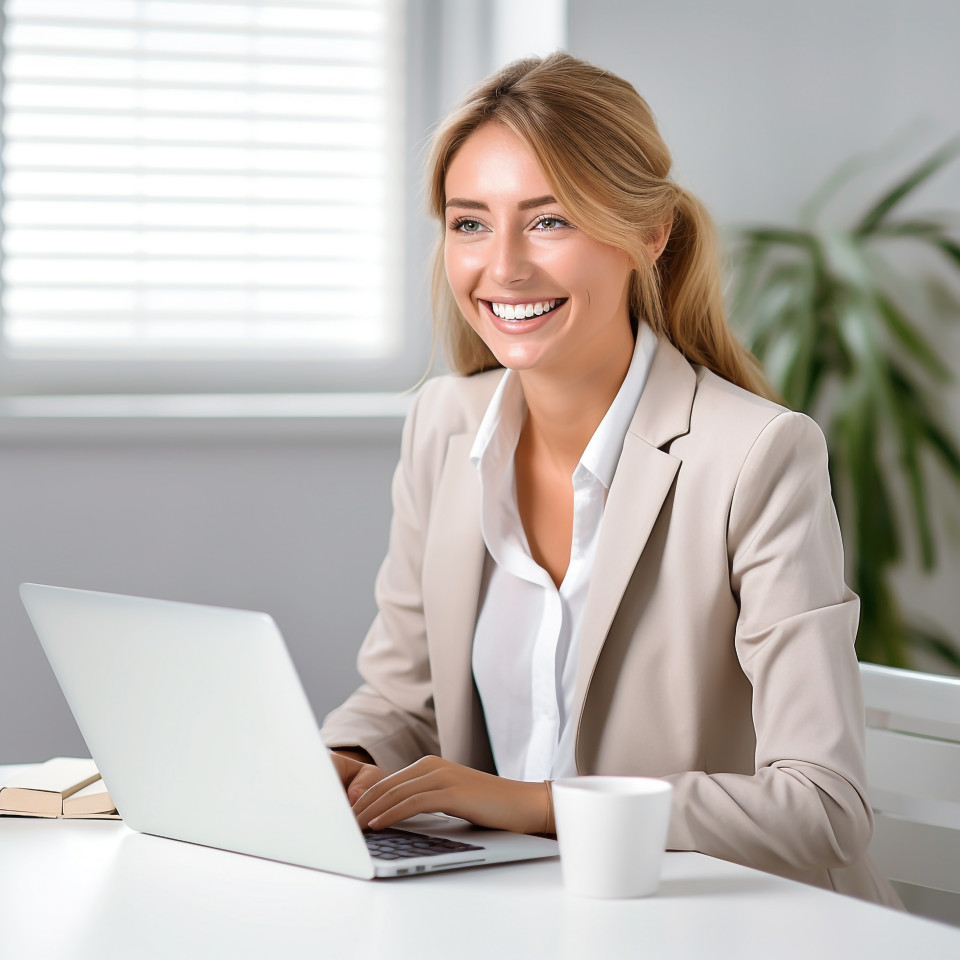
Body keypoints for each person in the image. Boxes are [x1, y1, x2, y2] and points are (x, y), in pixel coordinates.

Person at [320, 51, 900, 907]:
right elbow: (404, 701)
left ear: (649, 233)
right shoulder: (443, 425)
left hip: (725, 924)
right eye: (470, 223)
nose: (504, 267)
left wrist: (532, 805)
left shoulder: (757, 456)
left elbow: (821, 808)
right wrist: (346, 765)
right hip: (524, 913)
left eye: (549, 221)